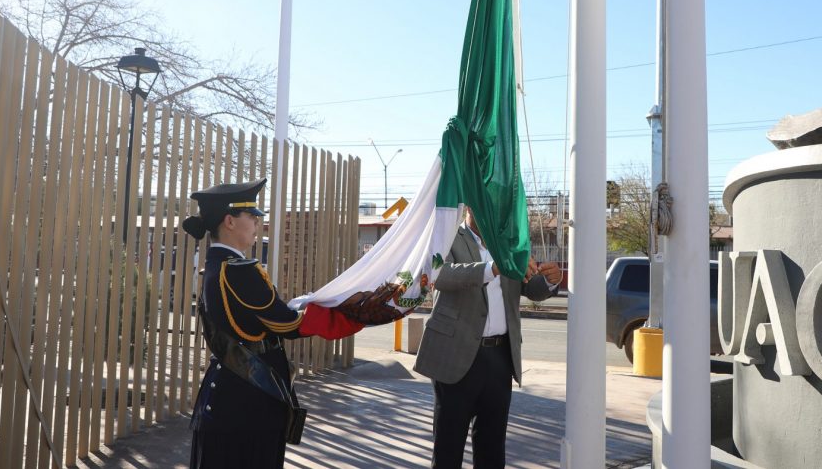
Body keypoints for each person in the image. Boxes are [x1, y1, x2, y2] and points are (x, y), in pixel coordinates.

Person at [182, 178, 385, 468]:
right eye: (251, 216)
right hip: (249, 402)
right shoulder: (240, 271)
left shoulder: (216, 266)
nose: (256, 223)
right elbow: (289, 325)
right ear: (229, 221)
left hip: (230, 396)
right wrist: (358, 311)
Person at [414, 207, 564, 468]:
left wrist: (551, 281)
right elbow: (441, 275)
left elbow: (530, 287)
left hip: (499, 359)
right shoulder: (446, 236)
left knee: (492, 451)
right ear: (470, 206)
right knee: (448, 451)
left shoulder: (509, 244)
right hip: (455, 357)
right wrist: (493, 268)